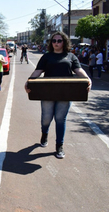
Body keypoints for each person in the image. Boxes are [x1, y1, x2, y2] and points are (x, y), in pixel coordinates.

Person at [24, 31, 91, 159]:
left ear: (64, 42)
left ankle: (59, 146)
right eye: (54, 41)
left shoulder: (71, 56)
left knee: (60, 119)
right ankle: (45, 134)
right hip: (47, 92)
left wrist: (88, 79)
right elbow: (37, 71)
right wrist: (29, 82)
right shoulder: (46, 57)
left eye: (59, 41)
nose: (56, 43)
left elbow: (78, 70)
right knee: (46, 118)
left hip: (65, 93)